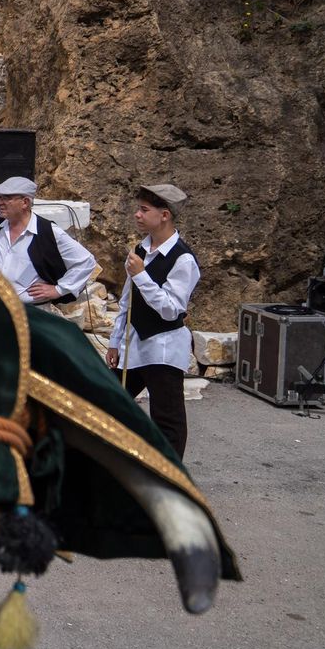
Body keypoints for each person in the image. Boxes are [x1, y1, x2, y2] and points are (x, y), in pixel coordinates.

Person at [106, 183, 199, 458]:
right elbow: (127, 299)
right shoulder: (141, 249)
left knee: (167, 419)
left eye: (144, 210)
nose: (137, 215)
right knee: (109, 400)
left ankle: (171, 477)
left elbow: (171, 309)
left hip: (164, 347)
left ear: (164, 215)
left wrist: (141, 275)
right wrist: (115, 341)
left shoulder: (183, 259)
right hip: (134, 345)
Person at [0, 176, 98, 309]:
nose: (0, 202)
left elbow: (86, 261)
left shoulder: (48, 232)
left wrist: (59, 290)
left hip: (32, 314)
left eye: (6, 198)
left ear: (25, 202)